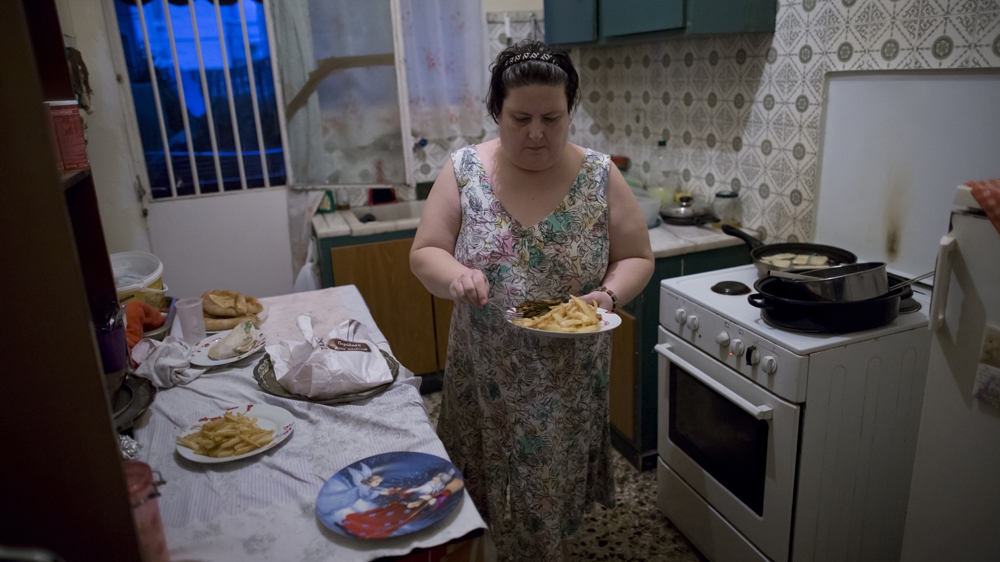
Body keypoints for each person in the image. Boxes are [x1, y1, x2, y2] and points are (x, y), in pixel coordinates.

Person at [410, 40, 654, 561]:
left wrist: (608, 294)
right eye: (520, 118)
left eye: (553, 117)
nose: (537, 133)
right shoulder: (464, 171)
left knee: (548, 492)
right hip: (485, 374)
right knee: (479, 494)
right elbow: (426, 251)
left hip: (566, 383)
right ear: (497, 110)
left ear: (571, 111)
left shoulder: (599, 174)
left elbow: (637, 257)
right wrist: (454, 276)